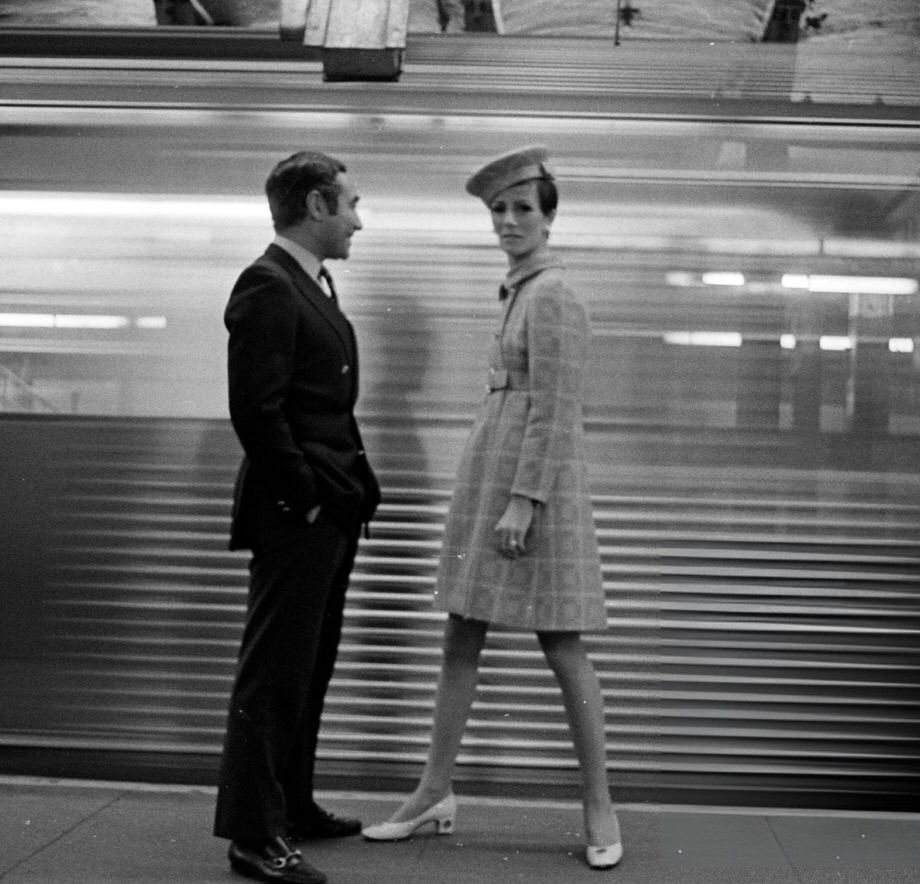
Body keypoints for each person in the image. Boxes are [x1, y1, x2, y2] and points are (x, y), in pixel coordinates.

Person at [361, 146, 622, 870]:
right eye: (499, 210)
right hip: (493, 478)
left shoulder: (553, 294)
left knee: (562, 643)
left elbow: (557, 409)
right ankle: (432, 792)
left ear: (548, 218)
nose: (509, 221)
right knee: (460, 633)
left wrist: (525, 502)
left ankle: (600, 805)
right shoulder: (519, 289)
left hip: (533, 489)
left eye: (522, 209)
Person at [214, 150, 382, 884]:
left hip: (330, 508)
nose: (357, 221)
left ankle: (293, 805)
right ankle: (254, 836)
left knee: (307, 668)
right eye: (351, 204)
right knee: (275, 674)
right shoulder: (268, 284)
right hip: (298, 513)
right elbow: (257, 409)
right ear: (316, 205)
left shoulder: (310, 282)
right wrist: (307, 494)